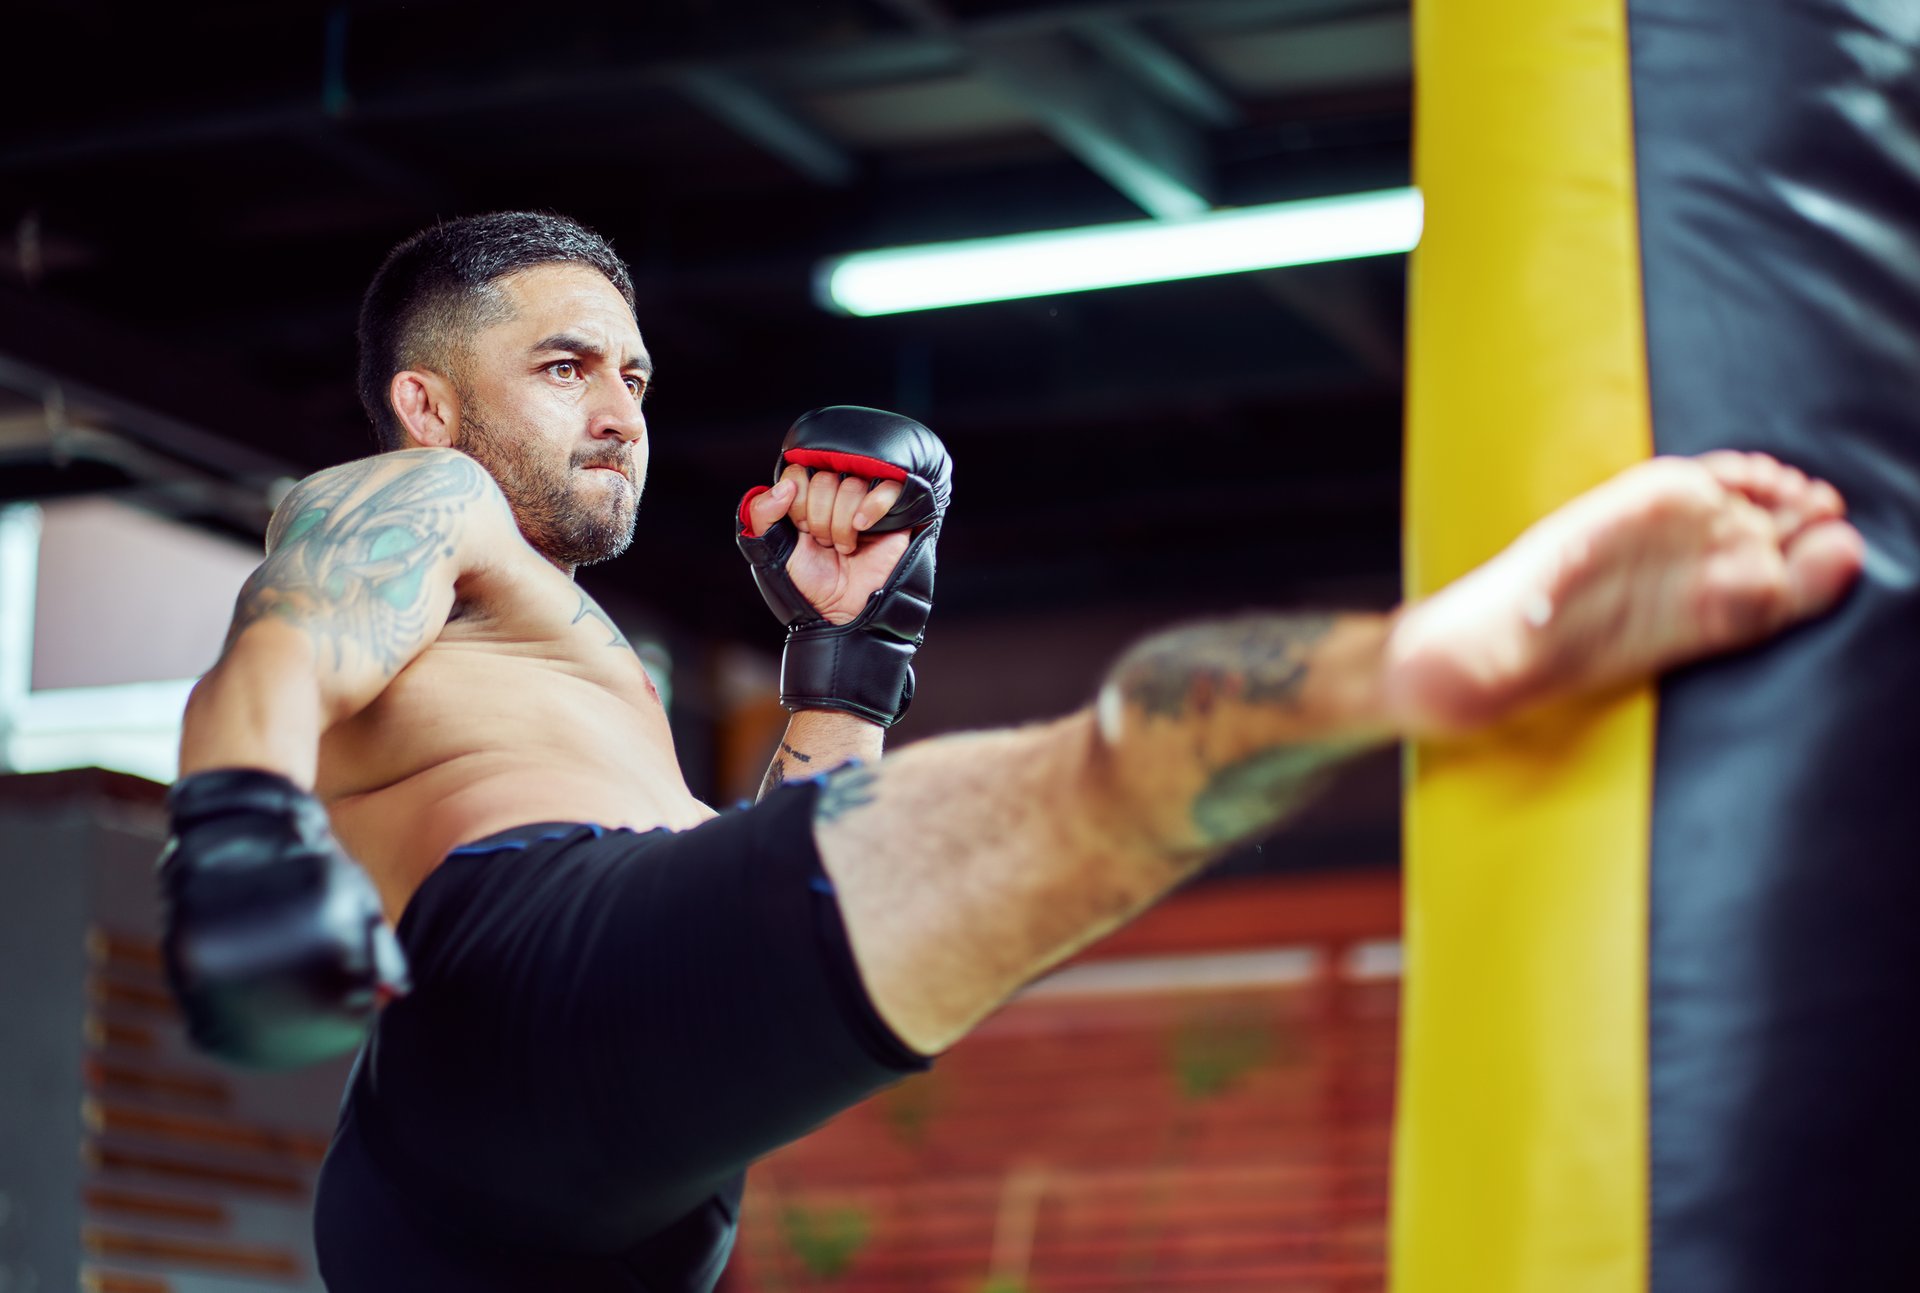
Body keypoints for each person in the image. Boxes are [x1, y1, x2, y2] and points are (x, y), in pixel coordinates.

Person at [159, 211, 1865, 1291]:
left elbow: (783, 895)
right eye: (560, 365)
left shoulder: (580, 657)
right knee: (1104, 783)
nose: (619, 410)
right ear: (431, 404)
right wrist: (233, 830)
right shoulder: (417, 501)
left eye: (634, 370)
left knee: (836, 907)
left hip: (587, 1176)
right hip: (514, 1024)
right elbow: (278, 655)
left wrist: (845, 652)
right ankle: (1440, 656)